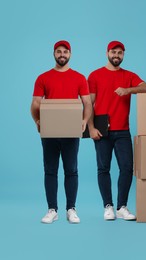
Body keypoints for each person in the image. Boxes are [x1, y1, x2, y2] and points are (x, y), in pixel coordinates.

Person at [88, 40, 146, 221]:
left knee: (126, 167)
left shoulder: (129, 75)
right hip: (102, 130)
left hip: (122, 130)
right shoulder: (95, 75)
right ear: (107, 53)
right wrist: (91, 128)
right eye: (113, 52)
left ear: (123, 55)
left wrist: (128, 90)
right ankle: (108, 206)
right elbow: (89, 103)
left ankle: (122, 206)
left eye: (120, 53)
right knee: (103, 169)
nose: (116, 56)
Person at [31, 40, 92, 224]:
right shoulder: (43, 78)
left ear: (70, 54)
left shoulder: (79, 78)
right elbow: (35, 103)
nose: (62, 54)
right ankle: (52, 210)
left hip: (71, 132)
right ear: (54, 54)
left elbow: (87, 103)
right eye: (59, 51)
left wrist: (84, 121)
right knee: (50, 170)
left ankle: (71, 209)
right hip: (50, 132)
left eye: (65, 51)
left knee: (71, 170)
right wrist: (37, 120)